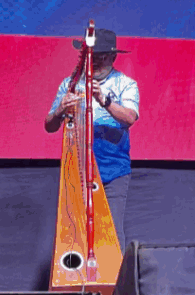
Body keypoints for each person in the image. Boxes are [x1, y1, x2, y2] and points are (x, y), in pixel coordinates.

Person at [45, 29, 139, 248]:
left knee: (111, 232)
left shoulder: (126, 84)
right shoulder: (70, 84)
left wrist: (104, 100)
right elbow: (49, 126)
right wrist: (59, 110)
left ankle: (116, 272)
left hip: (113, 171)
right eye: (91, 56)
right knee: (75, 230)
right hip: (77, 170)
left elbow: (130, 118)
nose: (94, 61)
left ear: (113, 57)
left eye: (100, 57)